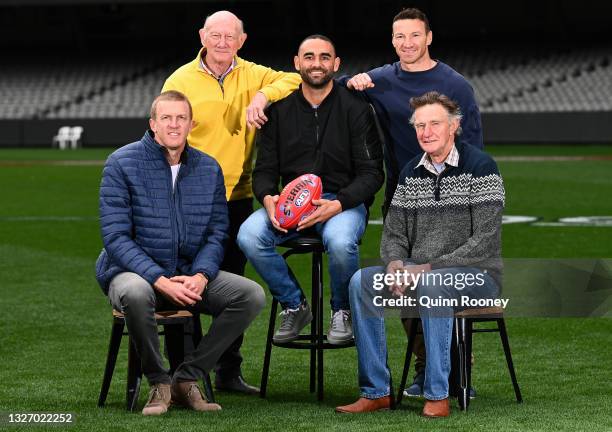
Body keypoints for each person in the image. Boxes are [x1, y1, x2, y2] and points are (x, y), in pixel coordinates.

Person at [340, 7, 483, 397]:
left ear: (429, 38)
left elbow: (474, 151)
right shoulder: (382, 79)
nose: (407, 44)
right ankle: (425, 368)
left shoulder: (456, 85)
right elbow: (321, 81)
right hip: (402, 201)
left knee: (440, 282)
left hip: (450, 203)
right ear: (392, 40)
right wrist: (354, 80)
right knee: (403, 283)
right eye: (399, 37)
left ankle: (457, 371)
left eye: (414, 36)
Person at [95, 91, 265, 416]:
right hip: (132, 273)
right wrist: (159, 278)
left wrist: (201, 275)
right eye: (166, 118)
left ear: (191, 124)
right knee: (135, 291)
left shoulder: (208, 168)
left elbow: (217, 233)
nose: (174, 125)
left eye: (180, 118)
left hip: (187, 272)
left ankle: (187, 379)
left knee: (250, 295)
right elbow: (115, 238)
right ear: (153, 124)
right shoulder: (121, 163)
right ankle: (159, 382)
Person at [336, 92, 504, 416]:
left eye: (434, 124)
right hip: (420, 272)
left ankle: (437, 394)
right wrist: (396, 264)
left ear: (454, 126)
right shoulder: (411, 171)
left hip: (478, 274)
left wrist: (425, 268)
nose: (426, 132)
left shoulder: (481, 167)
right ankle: (376, 391)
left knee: (432, 285)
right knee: (361, 282)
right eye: (419, 126)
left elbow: (485, 240)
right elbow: (395, 233)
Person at [161, 10, 300, 394]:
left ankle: (227, 371)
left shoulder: (254, 73)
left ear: (242, 40)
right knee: (185, 285)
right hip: (188, 200)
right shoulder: (179, 80)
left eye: (230, 37)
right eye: (215, 36)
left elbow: (295, 78)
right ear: (202, 35)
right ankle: (184, 374)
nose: (222, 43)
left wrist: (262, 94)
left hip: (237, 198)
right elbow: (163, 132)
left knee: (232, 286)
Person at [237, 35, 383, 345]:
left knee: (341, 242)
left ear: (336, 64)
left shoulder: (356, 108)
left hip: (339, 203)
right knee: (248, 235)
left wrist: (339, 204)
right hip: (291, 202)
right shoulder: (279, 110)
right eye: (309, 57)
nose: (316, 63)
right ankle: (295, 304)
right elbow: (263, 170)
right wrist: (268, 199)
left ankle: (342, 311)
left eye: (324, 57)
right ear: (296, 63)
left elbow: (372, 174)